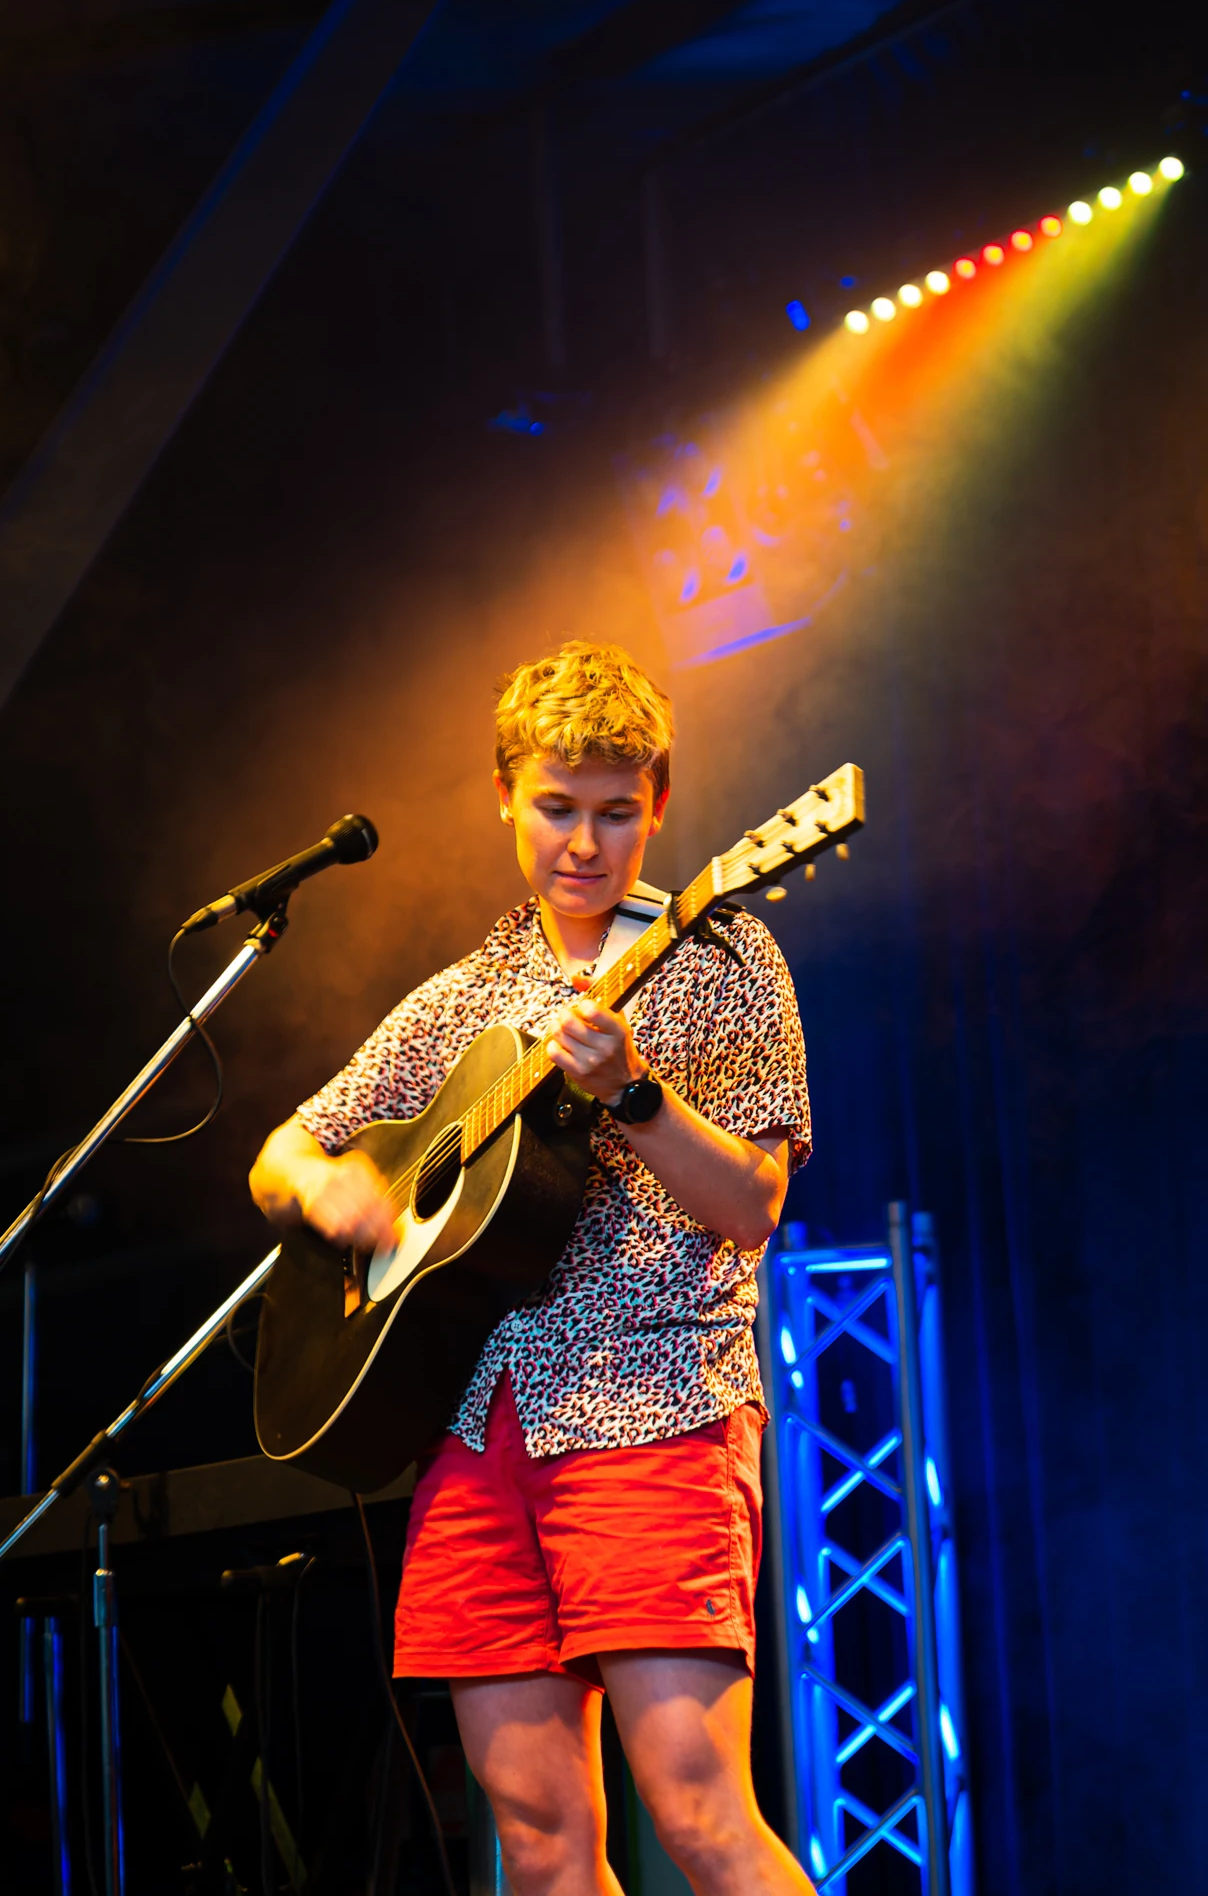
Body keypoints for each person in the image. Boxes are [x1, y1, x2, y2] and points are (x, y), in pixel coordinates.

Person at [249, 641, 815, 1896]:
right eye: (556, 808)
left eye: (617, 812)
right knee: (541, 1846)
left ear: (659, 802)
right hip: (475, 1424)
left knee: (701, 1813)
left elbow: (753, 1203)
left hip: (653, 1407)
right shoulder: (459, 1001)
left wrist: (635, 1093)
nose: (584, 842)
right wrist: (322, 1186)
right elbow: (284, 1144)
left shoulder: (722, 958)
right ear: (505, 794)